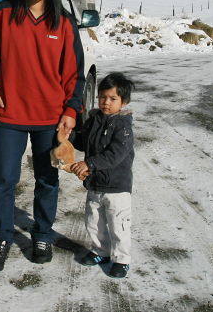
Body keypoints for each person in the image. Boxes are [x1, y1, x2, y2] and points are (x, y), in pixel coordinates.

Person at [0, 0, 86, 271]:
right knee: (2, 182)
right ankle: (0, 238)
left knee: (47, 180)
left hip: (50, 118)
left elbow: (75, 73)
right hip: (9, 115)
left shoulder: (63, 22)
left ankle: (42, 235)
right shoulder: (4, 13)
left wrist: (71, 110)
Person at [68, 72, 135, 279]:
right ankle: (101, 251)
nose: (106, 102)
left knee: (118, 224)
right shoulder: (93, 120)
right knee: (94, 221)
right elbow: (84, 143)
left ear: (123, 102)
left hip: (116, 187)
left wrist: (89, 163)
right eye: (102, 97)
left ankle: (121, 259)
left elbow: (115, 155)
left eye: (113, 99)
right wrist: (69, 136)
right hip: (95, 184)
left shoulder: (123, 126)